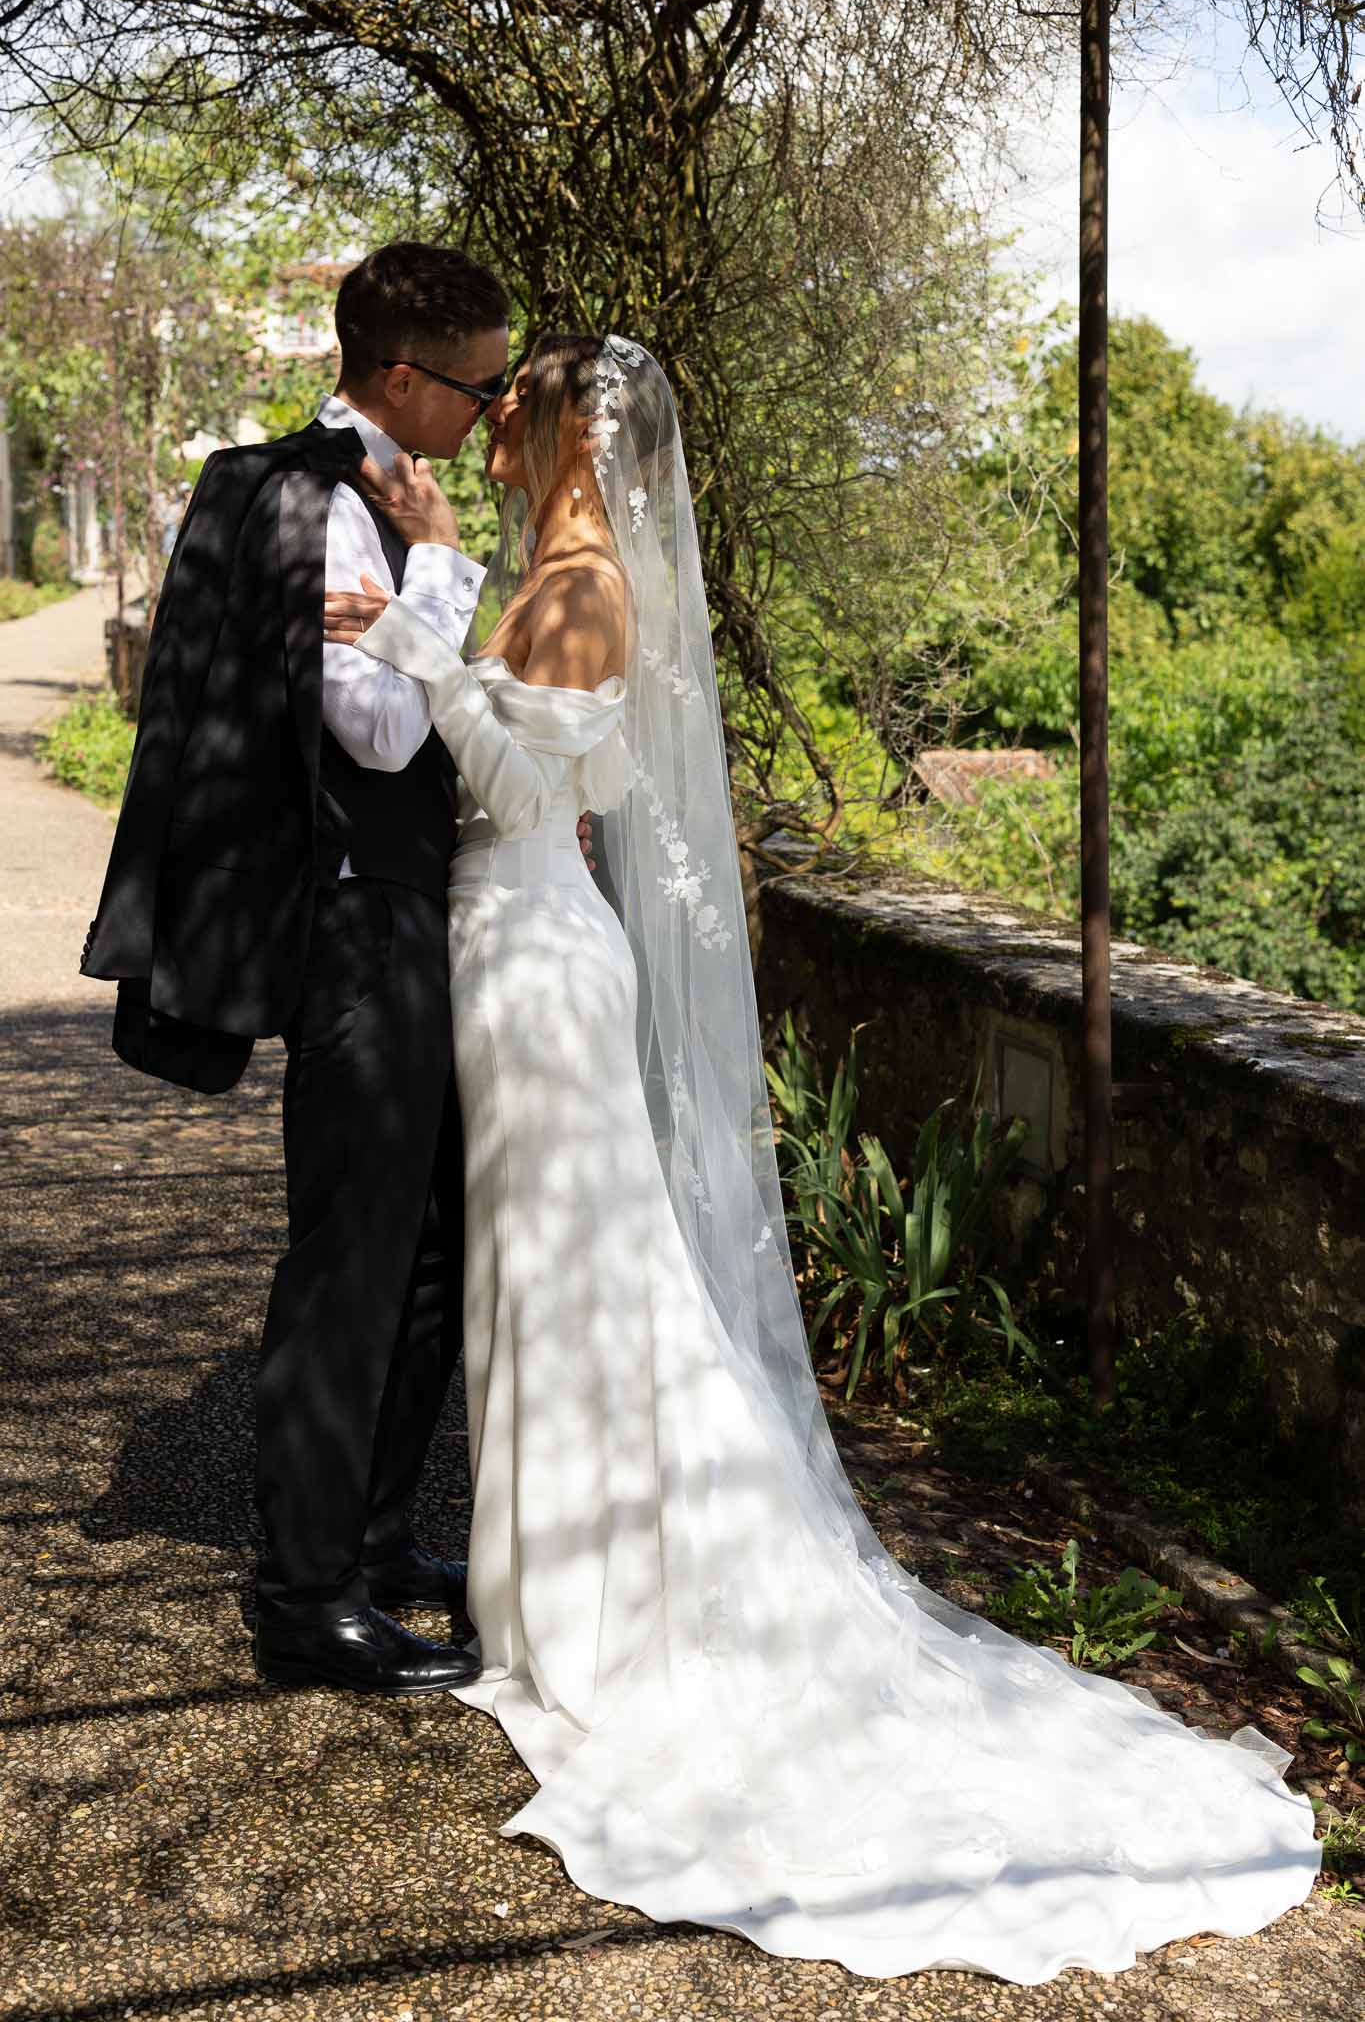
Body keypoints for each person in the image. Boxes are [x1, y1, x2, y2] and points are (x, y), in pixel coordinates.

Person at [321, 332, 1320, 1980]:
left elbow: (522, 771)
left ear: (569, 428)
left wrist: (423, 622)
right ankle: (557, 1578)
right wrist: (446, 617)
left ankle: (599, 1606)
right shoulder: (559, 567)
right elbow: (599, 767)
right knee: (557, 1261)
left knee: (575, 1263)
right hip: (518, 940)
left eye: (516, 406)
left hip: (529, 953)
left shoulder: (571, 580)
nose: (491, 429)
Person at [80, 243, 516, 1697]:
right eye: (480, 384)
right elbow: (382, 739)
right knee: (354, 1258)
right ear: (403, 377)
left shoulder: (351, 495)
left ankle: (378, 1539)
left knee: (429, 1244)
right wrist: (443, 566)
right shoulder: (330, 505)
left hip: (405, 911)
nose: (492, 409)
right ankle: (302, 1595)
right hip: (354, 924)